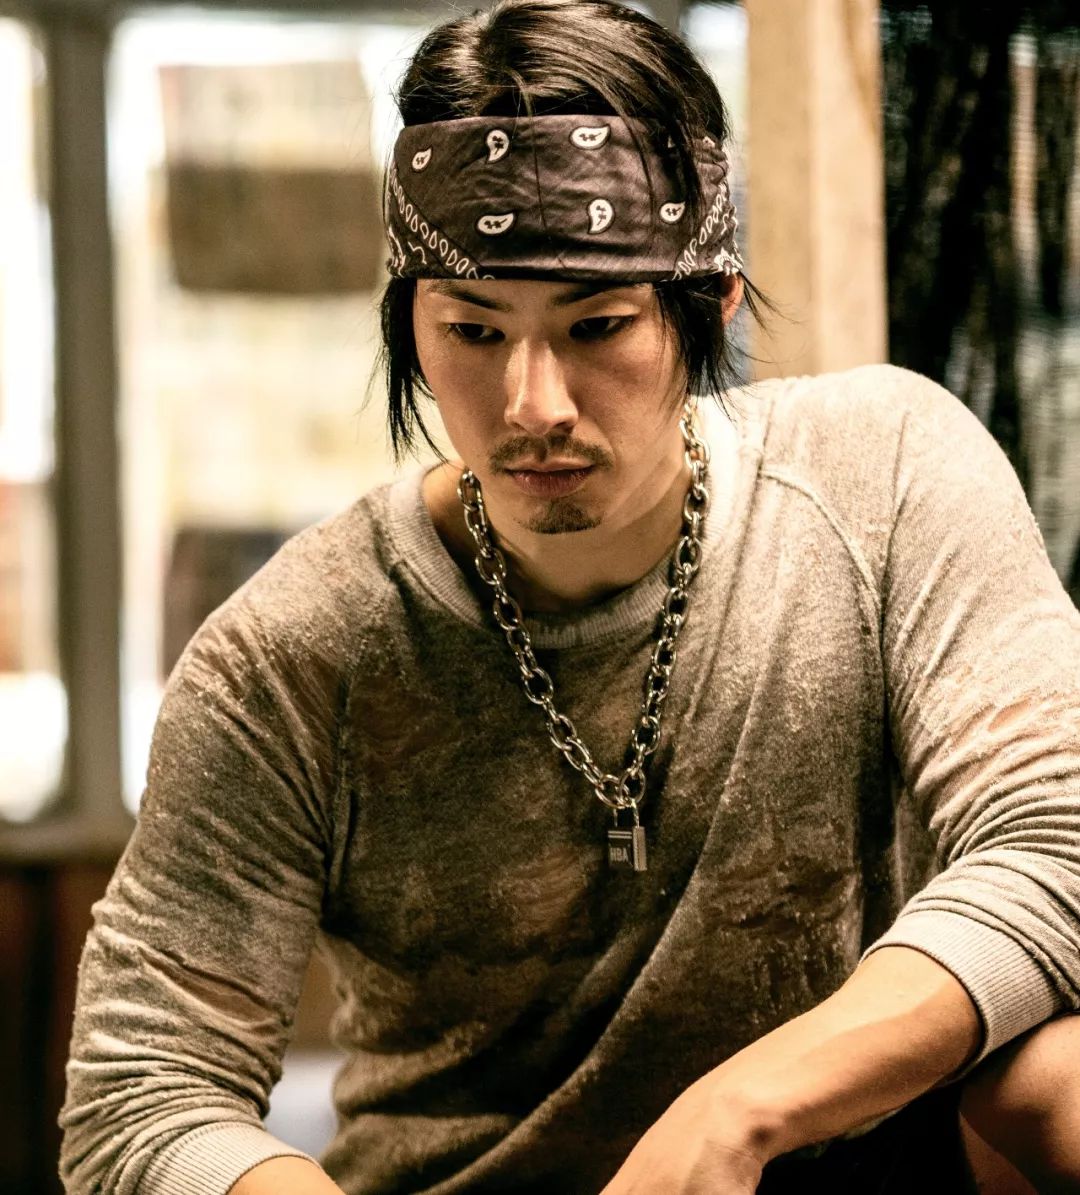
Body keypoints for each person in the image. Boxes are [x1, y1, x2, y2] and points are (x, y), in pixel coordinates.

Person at [61, 1, 1080, 1192]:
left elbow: (1056, 840)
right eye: (474, 329)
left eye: (597, 326)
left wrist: (739, 1111)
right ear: (409, 323)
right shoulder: (294, 652)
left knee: (1056, 1074)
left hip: (834, 1155)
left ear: (712, 304)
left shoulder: (884, 474)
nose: (533, 403)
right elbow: (142, 1088)